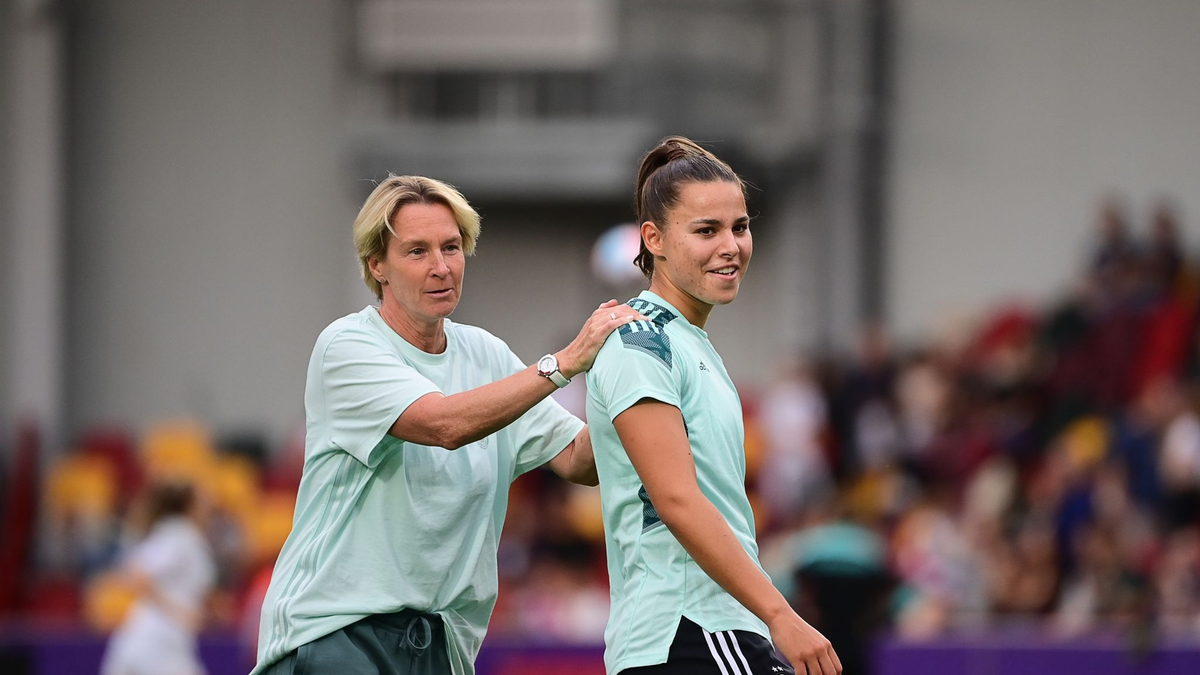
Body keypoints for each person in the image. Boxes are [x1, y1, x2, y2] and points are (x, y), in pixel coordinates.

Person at [252, 175, 643, 675]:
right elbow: (443, 425)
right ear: (377, 265)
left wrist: (628, 377)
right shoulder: (346, 345)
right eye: (417, 251)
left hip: (444, 649)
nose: (441, 267)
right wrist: (566, 362)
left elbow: (579, 459)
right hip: (336, 635)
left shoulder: (486, 353)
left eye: (452, 247)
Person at [586, 137, 843, 675]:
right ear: (652, 239)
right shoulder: (642, 341)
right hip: (691, 628)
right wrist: (781, 615)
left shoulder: (685, 340)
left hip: (700, 629)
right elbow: (676, 499)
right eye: (707, 230)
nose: (731, 245)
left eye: (740, 227)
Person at [99, 481, 217, 675]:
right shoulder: (180, 534)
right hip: (155, 644)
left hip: (155, 642)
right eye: (202, 499)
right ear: (188, 504)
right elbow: (136, 573)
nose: (210, 505)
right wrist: (177, 610)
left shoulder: (185, 536)